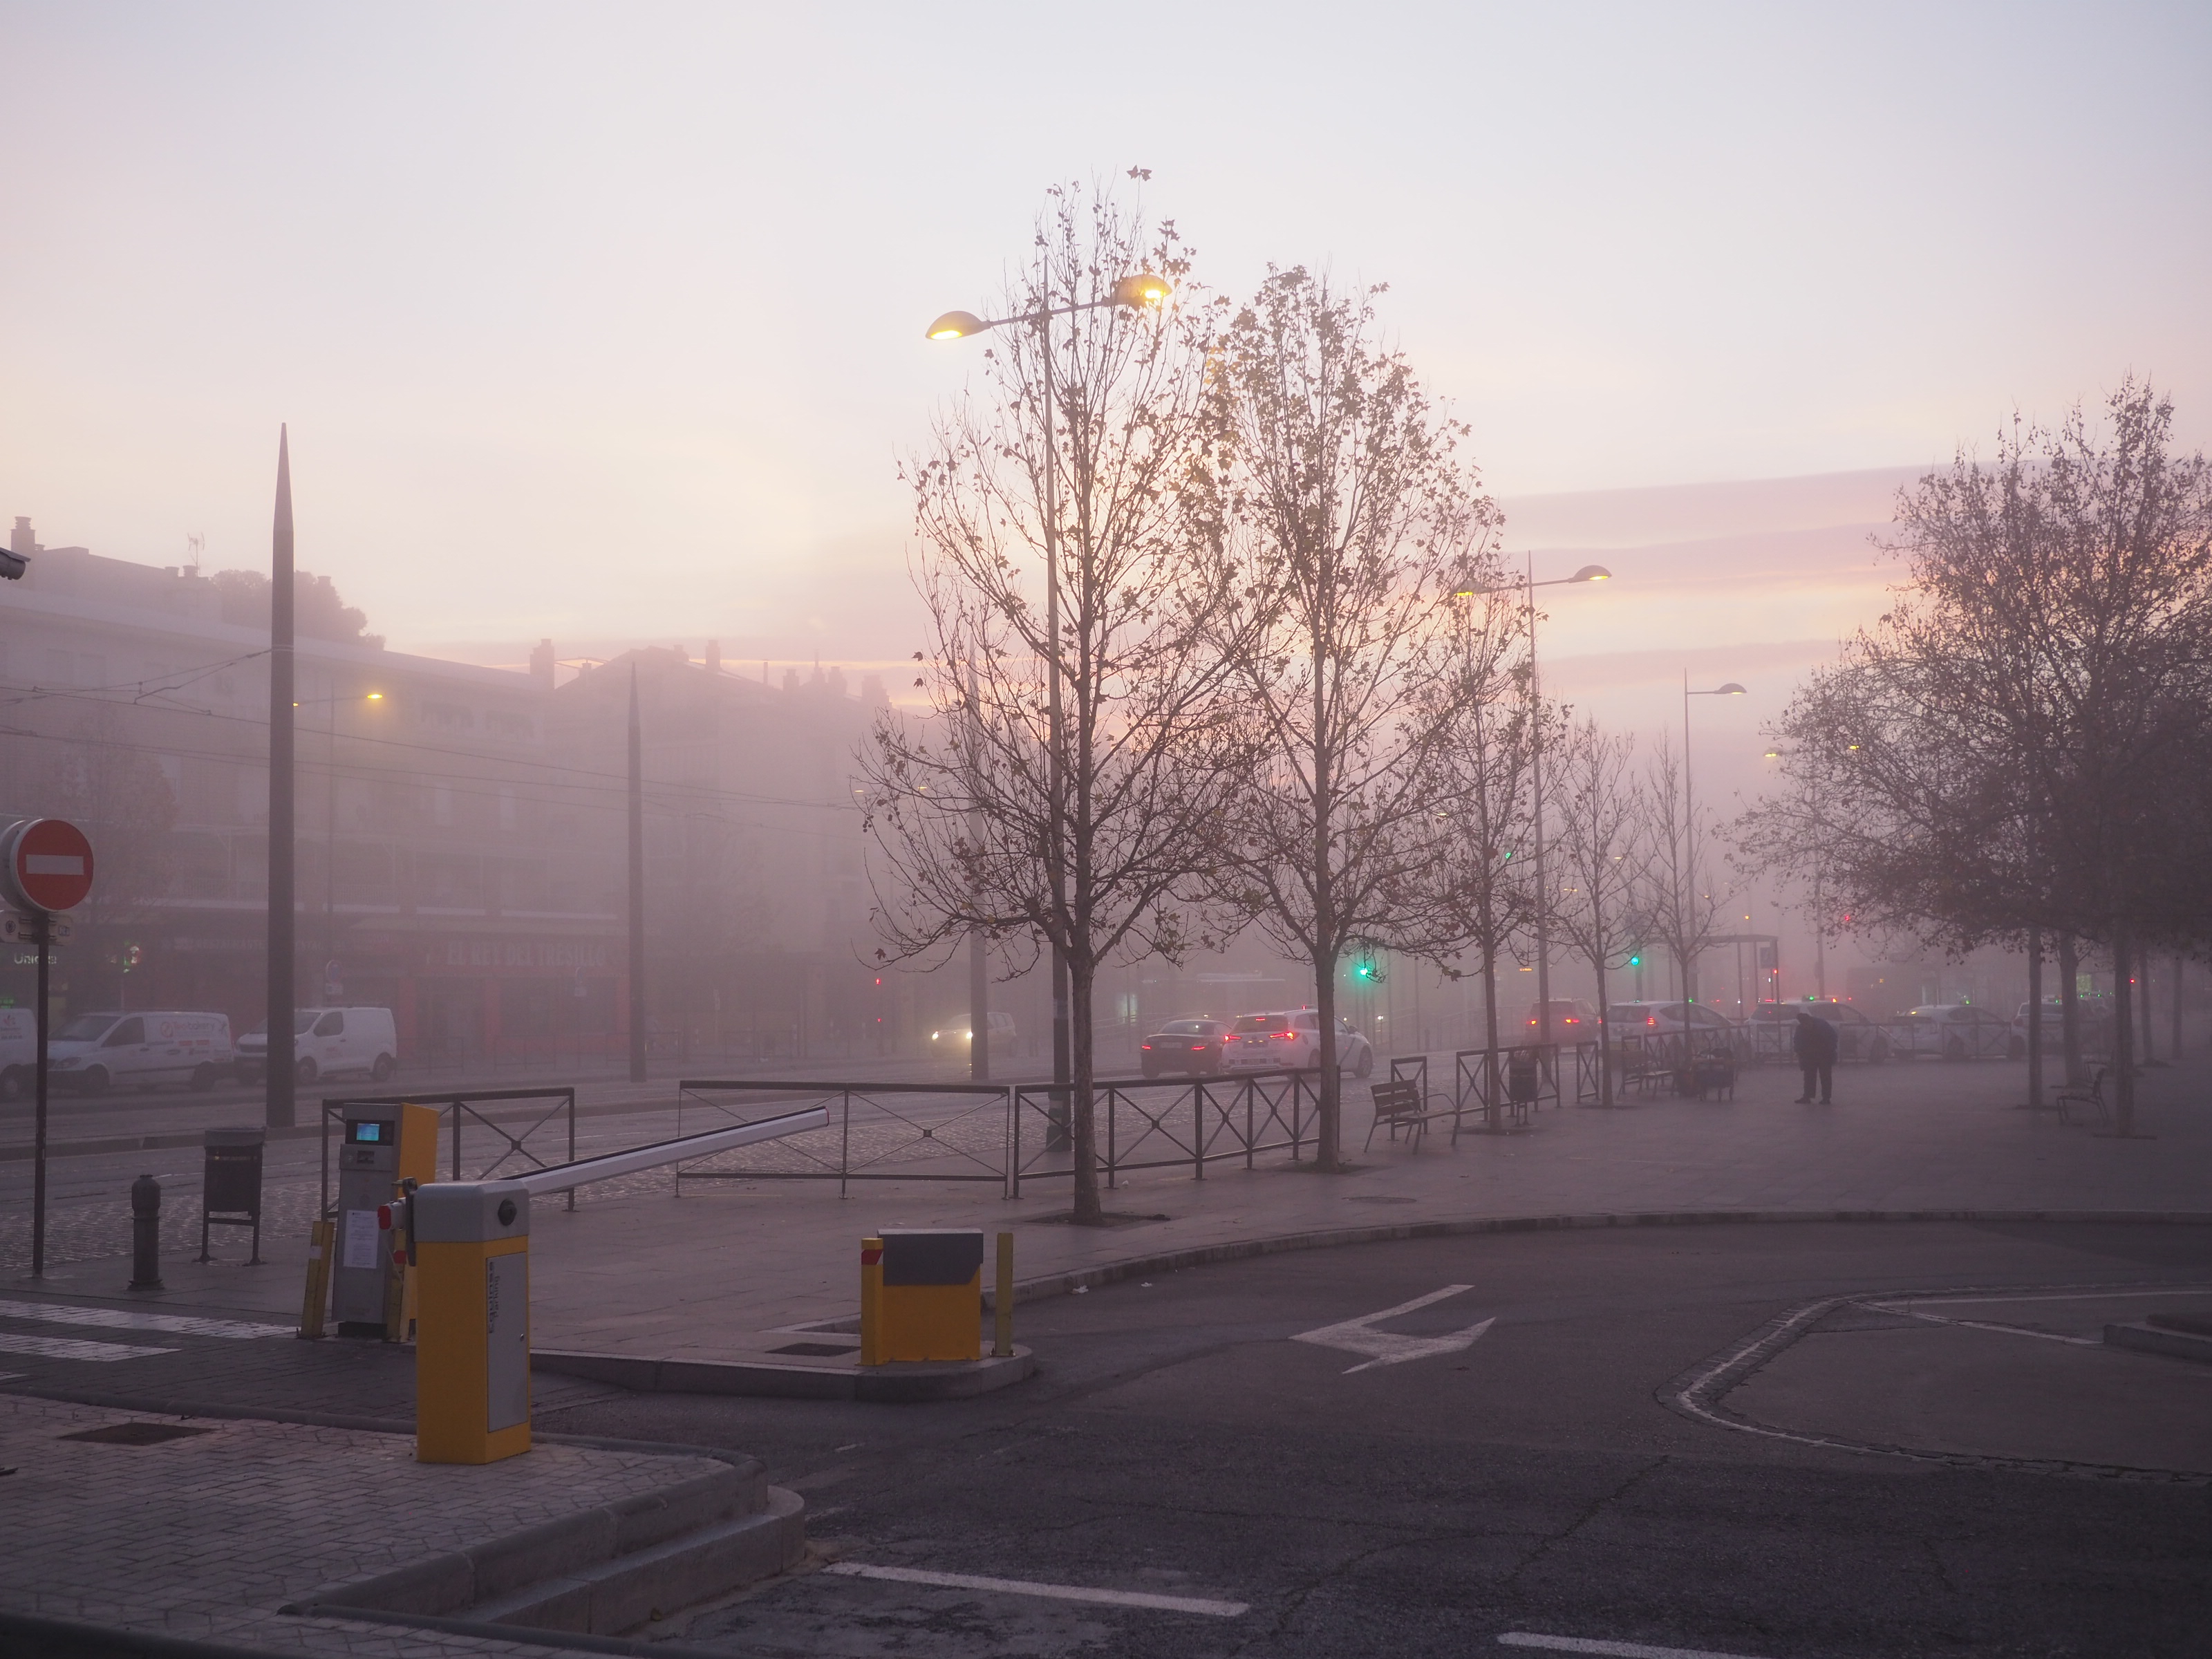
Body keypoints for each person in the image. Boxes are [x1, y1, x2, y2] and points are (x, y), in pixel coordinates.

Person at [1792, 1007, 1839, 1104]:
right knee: (1809, 1076)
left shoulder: (1821, 1025)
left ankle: (1826, 1098)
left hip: (1824, 1054)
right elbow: (1798, 1042)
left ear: (1809, 1021)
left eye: (1806, 1025)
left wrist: (1830, 1050)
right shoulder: (1802, 1028)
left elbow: (1833, 1037)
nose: (1806, 1027)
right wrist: (1799, 1051)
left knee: (1825, 1076)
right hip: (1810, 1054)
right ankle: (1808, 1097)